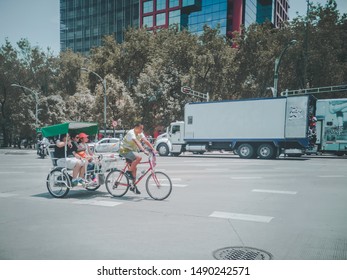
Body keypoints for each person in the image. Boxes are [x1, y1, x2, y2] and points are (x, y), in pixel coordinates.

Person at [119, 122, 156, 194]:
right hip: (124, 150)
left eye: (142, 128)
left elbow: (146, 141)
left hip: (131, 151)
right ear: (136, 128)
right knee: (139, 158)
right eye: (140, 128)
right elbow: (136, 142)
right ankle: (128, 172)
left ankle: (133, 186)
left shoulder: (140, 133)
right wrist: (143, 150)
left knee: (134, 169)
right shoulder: (131, 133)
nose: (142, 130)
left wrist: (153, 149)